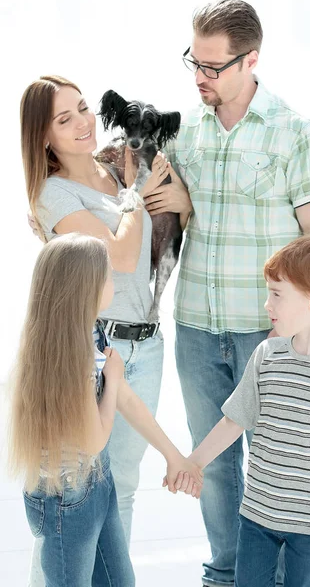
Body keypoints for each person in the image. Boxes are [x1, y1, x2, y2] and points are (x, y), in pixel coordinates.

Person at [145, 0, 310, 587]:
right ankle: (226, 575)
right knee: (216, 467)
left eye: (213, 67)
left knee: (281, 470)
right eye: (193, 63)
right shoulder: (182, 135)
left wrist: (305, 335)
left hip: (269, 333)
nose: (200, 78)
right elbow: (154, 209)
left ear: (251, 60)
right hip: (198, 329)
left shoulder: (295, 133)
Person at [20, 75, 185, 585]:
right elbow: (118, 253)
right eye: (63, 119)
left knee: (122, 488)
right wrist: (139, 194)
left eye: (84, 108)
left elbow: (179, 213)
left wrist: (172, 194)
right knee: (72, 495)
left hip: (147, 340)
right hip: (95, 344)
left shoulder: (117, 167)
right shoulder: (53, 194)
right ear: (42, 137)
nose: (83, 123)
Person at [170, 236, 310, 587]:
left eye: (277, 294)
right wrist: (195, 462)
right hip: (257, 518)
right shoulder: (267, 354)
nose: (267, 304)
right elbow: (233, 421)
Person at [8, 233, 202, 587]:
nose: (115, 283)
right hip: (67, 499)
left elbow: (128, 401)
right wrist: (111, 380)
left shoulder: (92, 333)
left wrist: (174, 456)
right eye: (109, 277)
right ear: (85, 289)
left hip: (97, 480)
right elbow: (95, 438)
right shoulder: (73, 354)